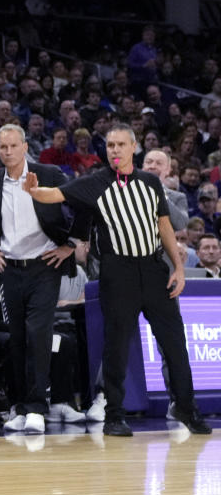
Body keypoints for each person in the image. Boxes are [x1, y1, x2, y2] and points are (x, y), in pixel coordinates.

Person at [24, 123, 212, 436]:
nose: (115, 150)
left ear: (133, 147)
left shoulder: (151, 182)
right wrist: (33, 192)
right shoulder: (95, 182)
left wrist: (178, 267)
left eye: (121, 145)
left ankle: (186, 408)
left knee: (176, 344)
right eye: (110, 145)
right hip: (118, 273)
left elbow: (164, 227)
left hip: (154, 271)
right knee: (116, 346)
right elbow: (55, 194)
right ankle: (114, 414)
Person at [0, 123, 90, 433]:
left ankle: (38, 406)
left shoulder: (49, 174)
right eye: (3, 147)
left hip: (44, 266)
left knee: (39, 333)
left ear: (25, 147)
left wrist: (69, 245)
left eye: (14, 146)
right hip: (9, 268)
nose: (8, 151)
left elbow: (83, 204)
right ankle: (20, 406)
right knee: (18, 339)